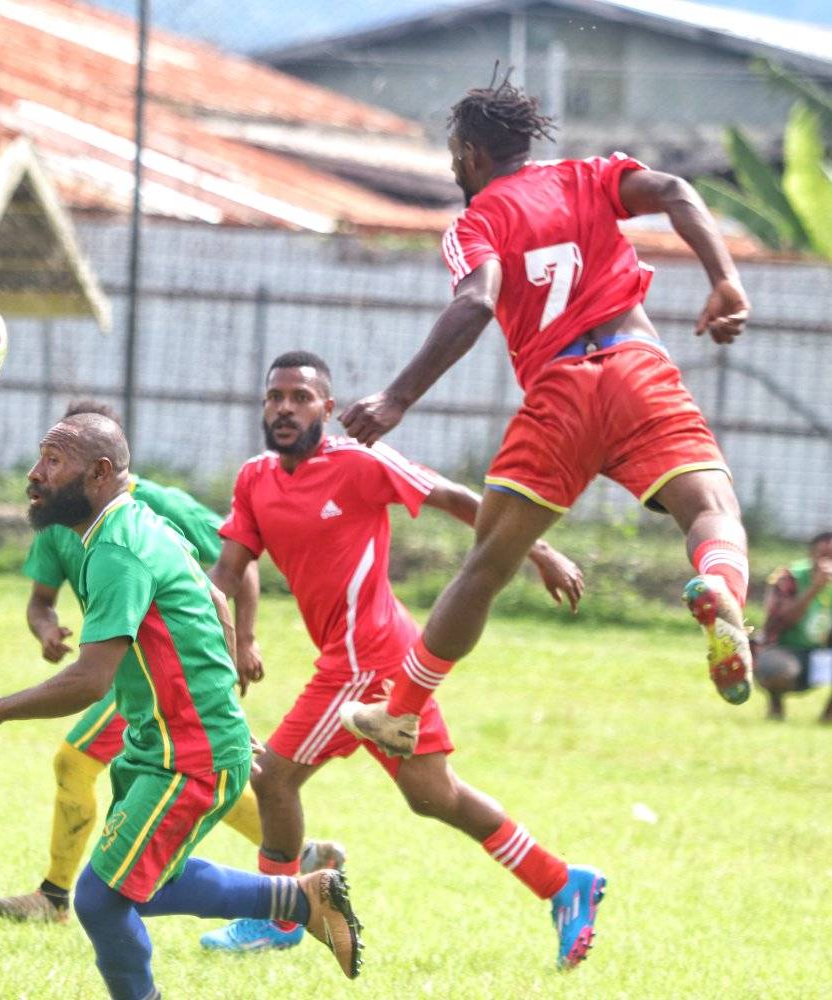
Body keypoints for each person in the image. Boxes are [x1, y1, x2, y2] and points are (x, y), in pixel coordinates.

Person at [337, 72, 754, 761]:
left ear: (471, 154)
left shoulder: (476, 223)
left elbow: (474, 304)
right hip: (637, 366)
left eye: (452, 152)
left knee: (488, 566)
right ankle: (722, 588)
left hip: (561, 391)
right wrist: (725, 278)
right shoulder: (588, 177)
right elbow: (677, 191)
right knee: (711, 507)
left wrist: (396, 398)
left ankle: (403, 712)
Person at [199, 350, 603, 971]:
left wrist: (539, 550)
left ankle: (278, 917)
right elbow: (229, 569)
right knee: (433, 795)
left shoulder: (360, 461)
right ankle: (561, 881)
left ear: (327, 410)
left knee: (273, 777)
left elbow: (456, 498)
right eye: (274, 397)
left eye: (300, 397)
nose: (284, 408)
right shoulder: (255, 477)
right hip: (373, 658)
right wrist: (186, 617)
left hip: (365, 660)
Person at [0, 413, 364, 999]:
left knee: (99, 899)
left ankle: (294, 902)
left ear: (97, 473)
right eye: (40, 457)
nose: (34, 474)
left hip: (186, 756)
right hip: (162, 745)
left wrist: (0, 709)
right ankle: (301, 897)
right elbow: (212, 598)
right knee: (137, 885)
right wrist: (221, 706)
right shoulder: (133, 520)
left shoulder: (117, 548)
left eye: (53, 462)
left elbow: (92, 681)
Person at [754, 531, 832, 722]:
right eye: (823, 556)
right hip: (785, 649)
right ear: (811, 554)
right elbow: (781, 621)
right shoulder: (790, 576)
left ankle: (828, 717)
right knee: (776, 669)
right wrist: (814, 589)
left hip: (821, 653)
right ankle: (776, 707)